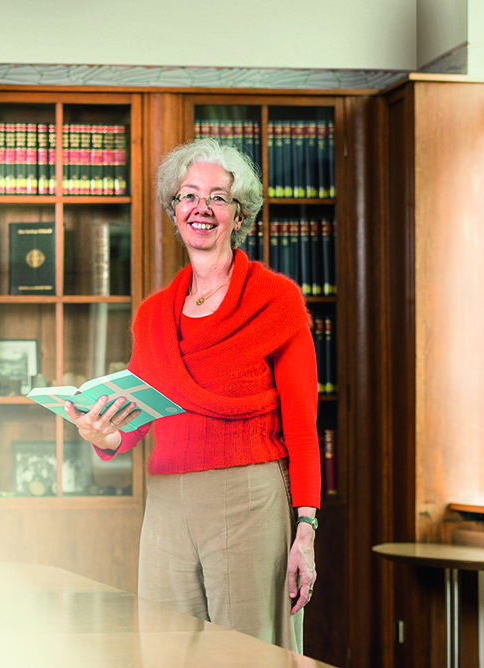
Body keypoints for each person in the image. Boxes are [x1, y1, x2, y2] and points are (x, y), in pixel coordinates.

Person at [63, 138, 320, 654]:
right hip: (166, 504)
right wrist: (100, 433)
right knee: (167, 651)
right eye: (189, 196)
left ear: (238, 214)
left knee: (247, 655)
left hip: (249, 500)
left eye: (218, 197)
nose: (201, 208)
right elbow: (136, 419)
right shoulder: (153, 315)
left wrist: (306, 530)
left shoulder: (277, 301)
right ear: (174, 209)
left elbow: (302, 427)